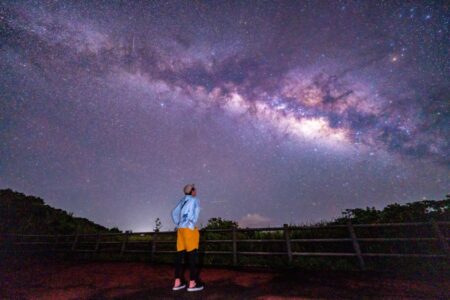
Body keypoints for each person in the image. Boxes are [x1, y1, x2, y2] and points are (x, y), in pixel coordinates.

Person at [171, 184, 204, 292]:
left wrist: (179, 223)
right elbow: (196, 213)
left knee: (179, 255)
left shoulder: (182, 201)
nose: (196, 190)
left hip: (180, 229)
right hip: (189, 229)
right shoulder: (195, 200)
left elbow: (173, 213)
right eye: (195, 189)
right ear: (192, 191)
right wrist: (191, 223)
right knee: (192, 255)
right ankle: (192, 283)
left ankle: (177, 282)